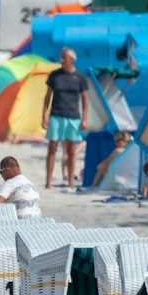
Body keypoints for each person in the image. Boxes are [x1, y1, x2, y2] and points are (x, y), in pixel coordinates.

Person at [41, 47, 88, 190]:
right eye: (61, 57)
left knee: (71, 150)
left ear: (72, 60)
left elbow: (86, 101)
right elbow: (47, 97)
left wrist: (84, 119)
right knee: (52, 148)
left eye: (64, 58)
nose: (61, 60)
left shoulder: (80, 77)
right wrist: (44, 115)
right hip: (55, 115)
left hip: (73, 117)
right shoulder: (54, 75)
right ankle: (48, 182)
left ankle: (70, 182)